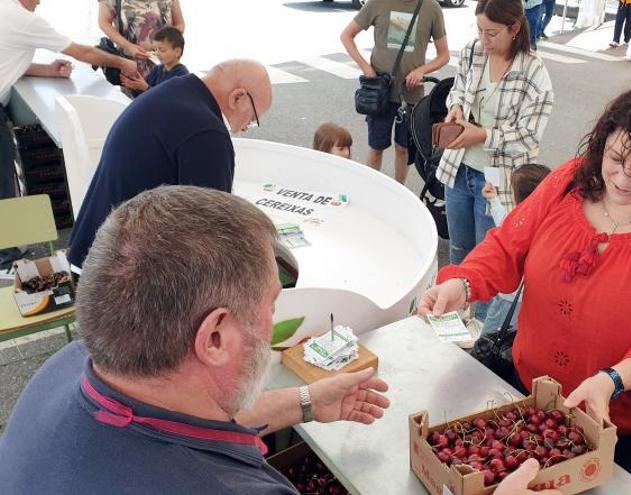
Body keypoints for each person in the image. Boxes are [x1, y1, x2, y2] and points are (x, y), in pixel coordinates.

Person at [0, 185, 562, 495]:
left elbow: (185, 425)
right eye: (271, 308)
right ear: (214, 336)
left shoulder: (72, 365)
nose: (276, 326)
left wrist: (303, 402)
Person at [420, 78, 631, 474]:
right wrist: (460, 286)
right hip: (524, 388)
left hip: (611, 420)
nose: (622, 178)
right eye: (615, 158)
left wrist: (611, 380)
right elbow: (508, 245)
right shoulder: (571, 180)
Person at [66, 59, 273, 272]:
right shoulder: (206, 133)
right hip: (117, 274)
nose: (248, 127)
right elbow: (213, 235)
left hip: (92, 248)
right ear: (237, 97)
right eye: (254, 117)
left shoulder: (174, 91)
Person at [436, 0, 553, 321]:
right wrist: (456, 106)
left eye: (492, 33)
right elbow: (458, 89)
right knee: (459, 249)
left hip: (497, 180)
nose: (484, 41)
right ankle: (454, 322)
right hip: (458, 168)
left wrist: (484, 135)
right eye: (479, 31)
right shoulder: (474, 51)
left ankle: (483, 332)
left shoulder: (534, 72)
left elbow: (530, 137)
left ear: (515, 28)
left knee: (492, 261)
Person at [0, 0, 136, 201]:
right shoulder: (25, 20)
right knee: (4, 192)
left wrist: (47, 70)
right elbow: (83, 52)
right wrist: (123, 63)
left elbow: (6, 56)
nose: (40, 2)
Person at [340, 0, 449, 184]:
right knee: (376, 146)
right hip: (380, 92)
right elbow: (346, 36)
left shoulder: (431, 8)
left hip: (411, 95)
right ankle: (370, 189)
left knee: (403, 149)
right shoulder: (377, 3)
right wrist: (366, 67)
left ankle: (399, 191)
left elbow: (444, 55)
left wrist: (422, 70)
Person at [480, 163, 550, 336]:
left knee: (490, 339)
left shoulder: (519, 225)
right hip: (534, 302)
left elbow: (505, 224)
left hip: (509, 298)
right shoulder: (550, 225)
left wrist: (493, 200)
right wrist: (494, 199)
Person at [98, 0, 185, 97]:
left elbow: (179, 23)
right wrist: (128, 46)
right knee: (134, 101)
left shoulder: (178, 71)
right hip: (132, 65)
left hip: (165, 63)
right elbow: (103, 22)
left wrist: (166, 46)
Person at [121, 26, 189, 95]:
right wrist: (134, 85)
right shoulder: (157, 69)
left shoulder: (181, 75)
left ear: (177, 52)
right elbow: (143, 95)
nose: (157, 53)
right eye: (155, 50)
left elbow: (168, 99)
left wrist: (145, 88)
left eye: (162, 50)